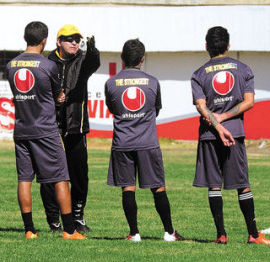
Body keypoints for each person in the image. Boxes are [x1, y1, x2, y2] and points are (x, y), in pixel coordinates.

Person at [6, 21, 86, 240]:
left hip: (22, 129)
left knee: (24, 179)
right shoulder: (48, 66)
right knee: (61, 177)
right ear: (44, 41)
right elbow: (56, 93)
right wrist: (58, 97)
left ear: (26, 38)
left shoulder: (11, 65)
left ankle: (29, 230)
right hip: (46, 130)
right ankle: (70, 230)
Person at [191, 26, 270, 244]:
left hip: (209, 134)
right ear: (228, 46)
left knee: (214, 184)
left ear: (206, 46)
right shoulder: (243, 68)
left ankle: (221, 235)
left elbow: (200, 105)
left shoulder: (198, 74)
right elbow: (249, 102)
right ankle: (253, 235)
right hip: (234, 133)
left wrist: (216, 123)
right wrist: (225, 119)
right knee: (242, 184)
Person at [105, 38, 185, 242]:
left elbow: (113, 110)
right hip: (147, 142)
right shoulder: (153, 82)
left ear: (122, 59)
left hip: (122, 143)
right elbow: (155, 110)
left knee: (128, 187)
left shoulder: (111, 83)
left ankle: (134, 233)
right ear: (142, 59)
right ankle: (169, 232)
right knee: (158, 187)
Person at [40, 24, 100, 233]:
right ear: (59, 42)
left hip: (77, 126)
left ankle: (77, 216)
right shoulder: (47, 62)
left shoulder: (83, 60)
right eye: (69, 39)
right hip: (51, 127)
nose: (74, 42)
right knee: (50, 177)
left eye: (77, 39)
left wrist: (93, 50)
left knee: (80, 176)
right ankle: (54, 220)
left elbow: (94, 63)